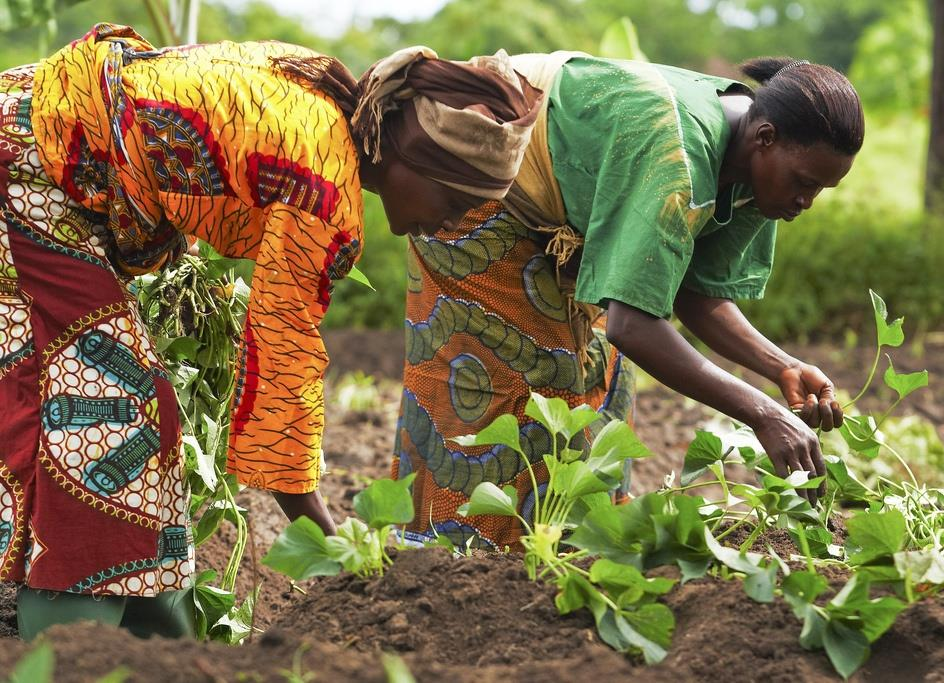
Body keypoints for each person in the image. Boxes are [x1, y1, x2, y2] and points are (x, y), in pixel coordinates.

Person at [0, 23, 540, 639]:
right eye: (457, 200)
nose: (451, 223)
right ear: (420, 163)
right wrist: (335, 550)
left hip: (35, 155)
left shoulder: (324, 88)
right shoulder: (325, 190)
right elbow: (282, 371)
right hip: (24, 175)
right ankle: (65, 645)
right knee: (101, 417)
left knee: (138, 423)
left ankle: (166, 651)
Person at [394, 53, 862, 550]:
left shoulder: (757, 169)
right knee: (507, 387)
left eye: (821, 188)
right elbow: (633, 323)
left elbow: (695, 292)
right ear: (765, 139)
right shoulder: (677, 151)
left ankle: (572, 558)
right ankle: (451, 566)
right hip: (480, 188)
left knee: (601, 382)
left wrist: (781, 366)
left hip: (567, 226)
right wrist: (764, 414)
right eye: (806, 183)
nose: (806, 201)